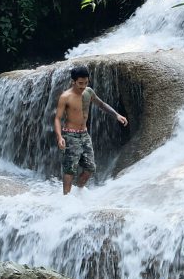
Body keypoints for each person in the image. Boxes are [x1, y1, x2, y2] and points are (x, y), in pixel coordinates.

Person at [53, 66, 128, 195]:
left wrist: (117, 115)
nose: (83, 86)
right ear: (73, 81)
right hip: (70, 135)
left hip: (84, 134)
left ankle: (77, 192)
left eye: (86, 83)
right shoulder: (65, 97)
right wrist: (60, 137)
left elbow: (102, 104)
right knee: (70, 168)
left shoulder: (89, 92)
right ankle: (66, 197)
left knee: (90, 167)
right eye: (80, 83)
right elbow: (57, 119)